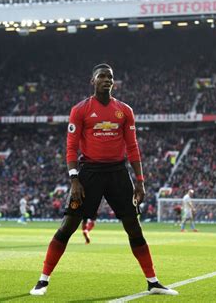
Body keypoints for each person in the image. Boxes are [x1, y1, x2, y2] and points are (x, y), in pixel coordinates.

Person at [30, 64, 177, 296]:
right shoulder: (80, 110)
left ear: (113, 82)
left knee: (133, 226)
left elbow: (132, 146)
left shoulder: (124, 110)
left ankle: (153, 281)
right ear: (93, 81)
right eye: (102, 76)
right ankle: (43, 280)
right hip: (89, 173)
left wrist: (140, 181)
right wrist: (74, 179)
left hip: (118, 173)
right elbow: (71, 147)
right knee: (68, 225)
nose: (107, 79)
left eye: (110, 76)